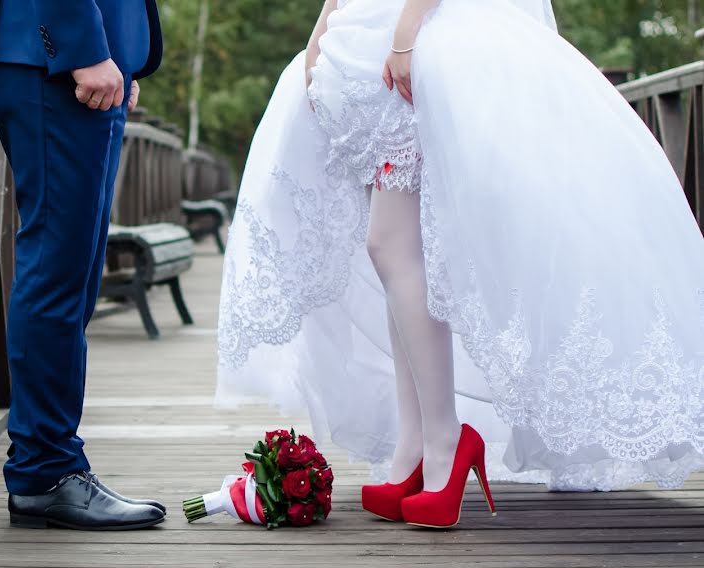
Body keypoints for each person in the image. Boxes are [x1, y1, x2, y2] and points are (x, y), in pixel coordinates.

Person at [217, 0, 704, 528]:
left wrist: (406, 32)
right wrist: (321, 36)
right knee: (391, 249)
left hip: (425, 32)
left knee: (389, 245)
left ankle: (442, 442)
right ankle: (417, 446)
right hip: (371, 41)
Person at [0, 0, 167, 530]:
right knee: (57, 267)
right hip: (52, 53)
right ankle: (44, 472)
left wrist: (122, 56)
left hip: (71, 56)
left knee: (72, 271)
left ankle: (50, 466)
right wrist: (83, 48)